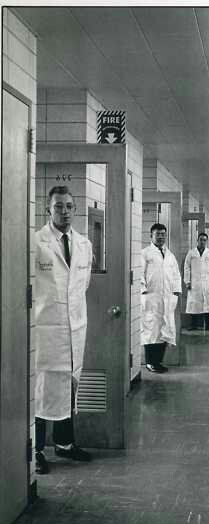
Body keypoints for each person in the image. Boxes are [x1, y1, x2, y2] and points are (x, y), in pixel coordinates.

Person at [34, 185, 93, 474]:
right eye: (59, 207)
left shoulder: (84, 244)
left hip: (74, 327)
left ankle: (65, 444)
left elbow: (83, 286)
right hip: (46, 330)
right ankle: (34, 451)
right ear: (48, 209)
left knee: (69, 387)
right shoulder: (36, 243)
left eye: (70, 206)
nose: (65, 212)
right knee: (42, 390)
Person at [141, 223, 182, 373]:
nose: (161, 237)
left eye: (163, 234)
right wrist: (144, 292)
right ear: (151, 236)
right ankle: (150, 362)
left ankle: (159, 361)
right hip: (152, 297)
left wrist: (176, 291)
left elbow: (176, 275)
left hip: (167, 297)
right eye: (158, 234)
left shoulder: (170, 255)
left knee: (165, 330)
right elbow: (139, 274)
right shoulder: (145, 253)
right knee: (151, 331)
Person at [184, 232, 209, 331]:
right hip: (195, 282)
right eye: (201, 240)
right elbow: (186, 267)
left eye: (204, 240)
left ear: (206, 241)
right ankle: (193, 325)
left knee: (207, 304)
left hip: (207, 282)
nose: (202, 242)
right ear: (197, 240)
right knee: (194, 304)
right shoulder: (191, 253)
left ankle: (207, 325)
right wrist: (187, 281)